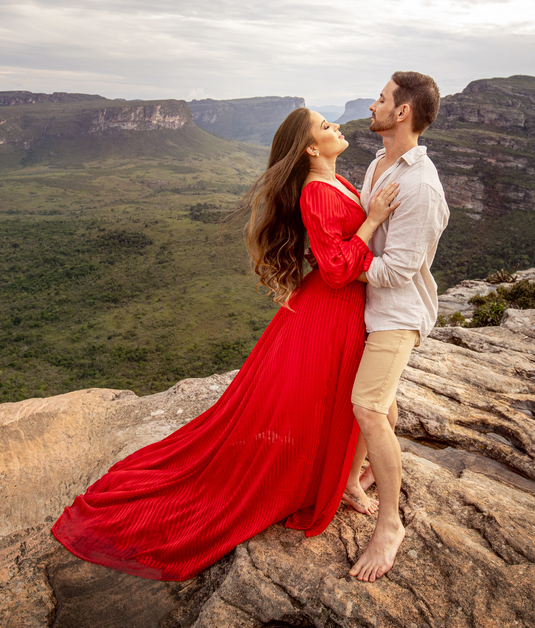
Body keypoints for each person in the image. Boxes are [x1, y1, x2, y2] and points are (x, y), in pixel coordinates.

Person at [52, 107, 399, 581]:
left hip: (341, 311)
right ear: (311, 150)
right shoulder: (318, 192)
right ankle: (325, 482)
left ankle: (344, 480)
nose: (336, 127)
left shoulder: (339, 182)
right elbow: (337, 269)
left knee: (343, 402)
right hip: (327, 313)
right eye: (324, 126)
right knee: (315, 404)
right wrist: (371, 220)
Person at [342, 71, 449, 583]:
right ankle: (355, 483)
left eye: (381, 99)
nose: (373, 105)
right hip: (368, 309)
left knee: (366, 405)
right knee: (380, 401)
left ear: (402, 112)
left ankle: (390, 525)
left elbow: (394, 272)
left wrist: (339, 260)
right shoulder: (379, 162)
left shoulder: (419, 184)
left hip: (396, 313)